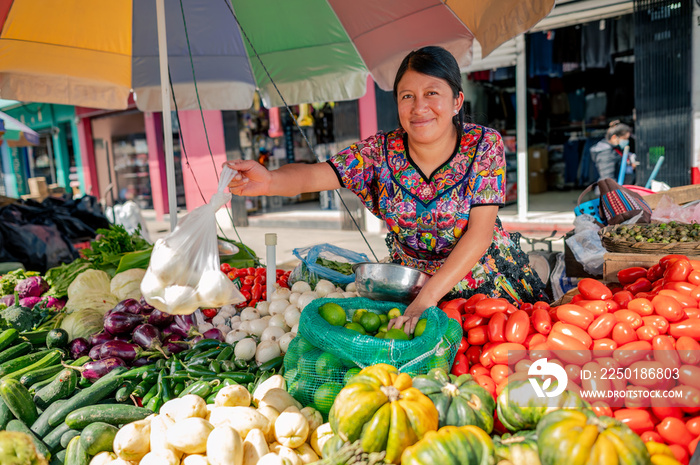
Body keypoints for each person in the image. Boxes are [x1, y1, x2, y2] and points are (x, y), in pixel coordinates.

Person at [226, 46, 548, 334]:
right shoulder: (379, 152)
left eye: (432, 93)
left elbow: (479, 234)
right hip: (406, 289)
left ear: (457, 101)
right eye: (407, 96)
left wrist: (427, 300)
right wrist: (269, 180)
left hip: (484, 289)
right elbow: (313, 177)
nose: (419, 107)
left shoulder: (483, 144)